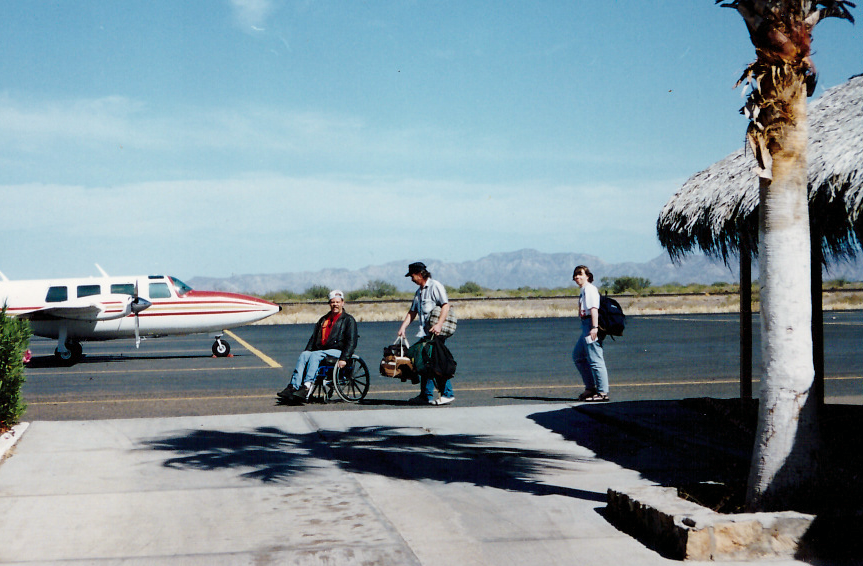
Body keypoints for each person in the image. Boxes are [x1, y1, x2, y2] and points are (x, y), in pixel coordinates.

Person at [277, 289, 358, 402]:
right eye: (332, 302)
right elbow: (314, 339)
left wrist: (344, 358)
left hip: (338, 351)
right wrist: (307, 353)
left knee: (315, 355)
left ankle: (307, 386)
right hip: (322, 351)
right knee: (304, 355)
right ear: (329, 303)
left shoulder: (348, 320)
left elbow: (352, 341)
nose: (335, 304)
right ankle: (293, 386)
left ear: (342, 303)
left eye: (337, 302)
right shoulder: (324, 319)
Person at [397, 262, 454, 406]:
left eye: (413, 276)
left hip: (436, 333)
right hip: (425, 332)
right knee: (424, 363)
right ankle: (425, 395)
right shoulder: (419, 292)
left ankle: (447, 394)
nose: (411, 279)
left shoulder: (435, 286)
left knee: (435, 363)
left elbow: (445, 305)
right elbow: (413, 311)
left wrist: (439, 324)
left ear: (420, 274)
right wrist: (403, 327)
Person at [572, 265, 610, 402]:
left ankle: (602, 392)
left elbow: (594, 309)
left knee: (595, 359)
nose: (577, 277)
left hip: (591, 325)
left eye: (580, 274)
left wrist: (594, 327)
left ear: (587, 276)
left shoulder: (590, 289)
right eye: (575, 275)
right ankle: (590, 388)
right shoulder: (584, 290)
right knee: (578, 356)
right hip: (586, 324)